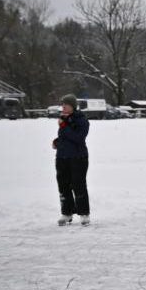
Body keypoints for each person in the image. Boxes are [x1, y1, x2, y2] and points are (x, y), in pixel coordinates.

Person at [53, 94, 91, 226]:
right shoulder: (63, 119)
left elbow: (78, 138)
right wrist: (57, 142)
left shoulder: (81, 119)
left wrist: (64, 126)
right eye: (62, 104)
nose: (63, 106)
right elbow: (66, 137)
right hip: (62, 157)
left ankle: (84, 213)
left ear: (73, 106)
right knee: (63, 186)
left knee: (78, 185)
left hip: (78, 158)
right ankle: (67, 212)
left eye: (66, 104)